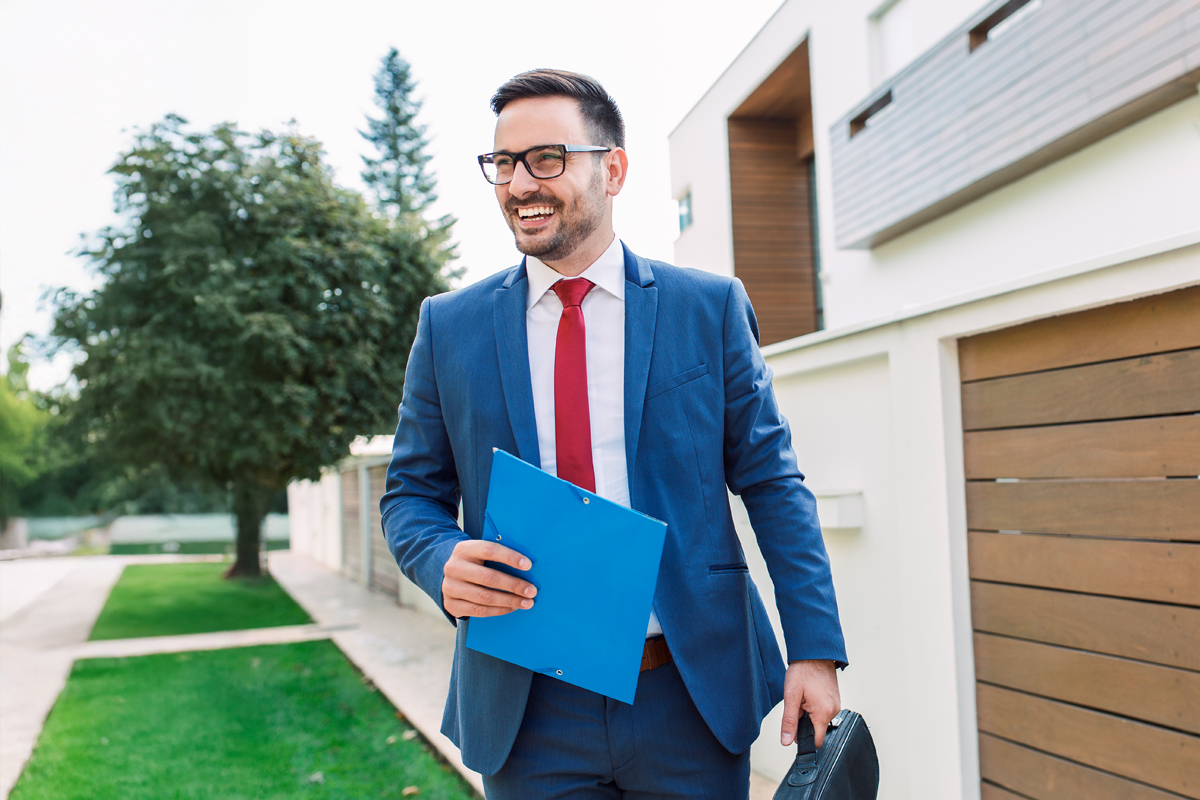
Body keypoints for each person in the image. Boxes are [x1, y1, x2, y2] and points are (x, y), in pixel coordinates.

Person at [381, 69, 847, 800]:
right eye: (503, 164)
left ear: (614, 168)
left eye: (547, 158)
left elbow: (772, 482)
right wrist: (438, 557)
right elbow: (410, 493)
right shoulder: (450, 328)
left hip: (686, 697)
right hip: (526, 707)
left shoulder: (708, 308)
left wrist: (815, 650)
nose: (519, 183)